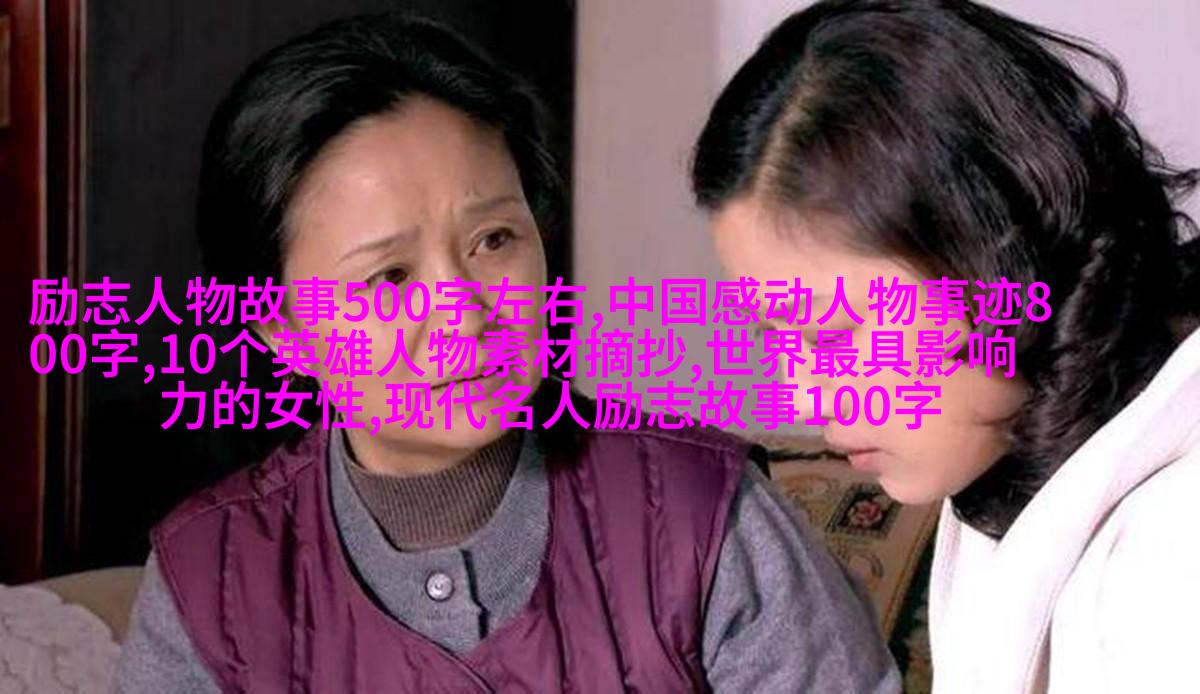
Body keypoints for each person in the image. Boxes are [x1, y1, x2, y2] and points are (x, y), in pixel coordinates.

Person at [113, 13, 900, 693]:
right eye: (389, 277)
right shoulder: (210, 581)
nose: (462, 313)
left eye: (493, 240)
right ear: (279, 328)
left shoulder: (707, 516)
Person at [690, 1, 1200, 692]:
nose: (804, 396)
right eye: (776, 338)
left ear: (998, 259)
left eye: (833, 335)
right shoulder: (1006, 479)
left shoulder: (1175, 550)